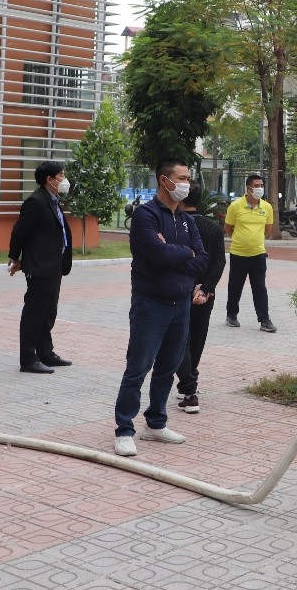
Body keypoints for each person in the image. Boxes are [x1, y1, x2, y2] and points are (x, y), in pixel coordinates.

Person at [113, 158, 209, 457]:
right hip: (150, 304)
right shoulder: (146, 216)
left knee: (167, 367)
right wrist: (184, 253)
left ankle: (156, 423)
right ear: (164, 181)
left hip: (181, 304)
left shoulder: (186, 220)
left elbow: (202, 259)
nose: (186, 184)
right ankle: (124, 430)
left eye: (188, 178)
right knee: (138, 368)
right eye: (181, 178)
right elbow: (157, 254)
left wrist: (177, 253)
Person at [7, 160, 74, 374]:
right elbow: (20, 231)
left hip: (54, 265)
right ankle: (28, 359)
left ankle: (46, 353)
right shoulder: (36, 201)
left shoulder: (52, 199)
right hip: (40, 266)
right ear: (49, 179)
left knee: (48, 312)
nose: (64, 179)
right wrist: (14, 257)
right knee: (34, 313)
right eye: (61, 175)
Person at [175, 183, 227, 413]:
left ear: (180, 199)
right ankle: (189, 381)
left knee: (178, 339)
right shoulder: (213, 228)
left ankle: (189, 387)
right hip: (205, 293)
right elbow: (219, 262)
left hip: (179, 289)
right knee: (197, 337)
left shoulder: (177, 225)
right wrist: (206, 288)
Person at [224, 173, 275, 333]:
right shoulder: (235, 206)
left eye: (261, 186)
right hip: (238, 254)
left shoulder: (267, 207)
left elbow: (267, 230)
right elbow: (228, 228)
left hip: (258, 254)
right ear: (248, 188)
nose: (260, 189)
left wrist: (254, 240)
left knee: (260, 287)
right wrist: (240, 239)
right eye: (256, 186)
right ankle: (231, 315)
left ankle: (264, 319)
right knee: (235, 286)